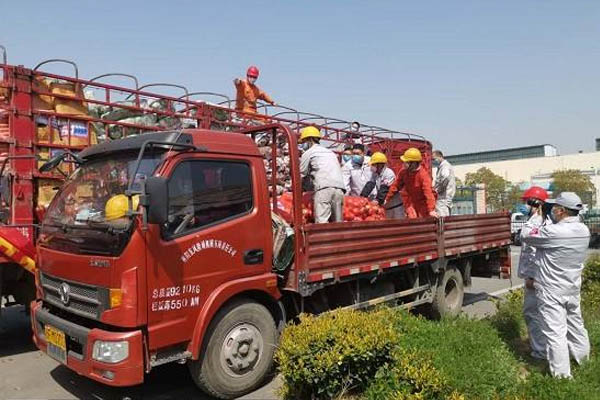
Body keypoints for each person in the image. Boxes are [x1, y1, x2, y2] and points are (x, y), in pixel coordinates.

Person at [521, 192, 591, 378]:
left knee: (555, 333)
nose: (551, 210)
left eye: (554, 207)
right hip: (572, 287)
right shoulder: (583, 230)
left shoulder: (554, 232)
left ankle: (561, 377)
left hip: (551, 290)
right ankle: (584, 362)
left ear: (561, 211)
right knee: (576, 326)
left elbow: (526, 235)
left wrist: (537, 216)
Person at [517, 186, 549, 360]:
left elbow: (535, 252)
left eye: (527, 202)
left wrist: (532, 277)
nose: (525, 206)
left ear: (536, 203)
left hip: (535, 277)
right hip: (538, 277)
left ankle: (540, 352)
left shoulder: (538, 223)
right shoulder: (538, 220)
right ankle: (544, 348)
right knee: (541, 313)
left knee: (533, 313)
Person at [299, 126, 345, 223]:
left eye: (303, 141)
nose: (302, 144)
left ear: (309, 140)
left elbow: (301, 174)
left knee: (321, 221)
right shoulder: (330, 152)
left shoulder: (308, 153)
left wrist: (298, 191)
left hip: (324, 189)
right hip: (339, 189)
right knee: (338, 222)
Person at [385, 148, 438, 219]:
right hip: (412, 202)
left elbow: (428, 193)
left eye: (406, 162)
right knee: (411, 220)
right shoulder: (404, 172)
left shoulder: (423, 176)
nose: (404, 164)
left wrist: (431, 210)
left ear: (414, 163)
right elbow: (395, 186)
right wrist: (387, 199)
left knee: (424, 221)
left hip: (424, 205)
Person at [432, 150, 456, 217]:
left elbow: (445, 177)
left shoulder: (444, 166)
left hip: (443, 197)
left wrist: (438, 189)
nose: (434, 161)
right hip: (445, 197)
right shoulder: (444, 166)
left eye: (434, 159)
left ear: (440, 156)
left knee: (442, 217)